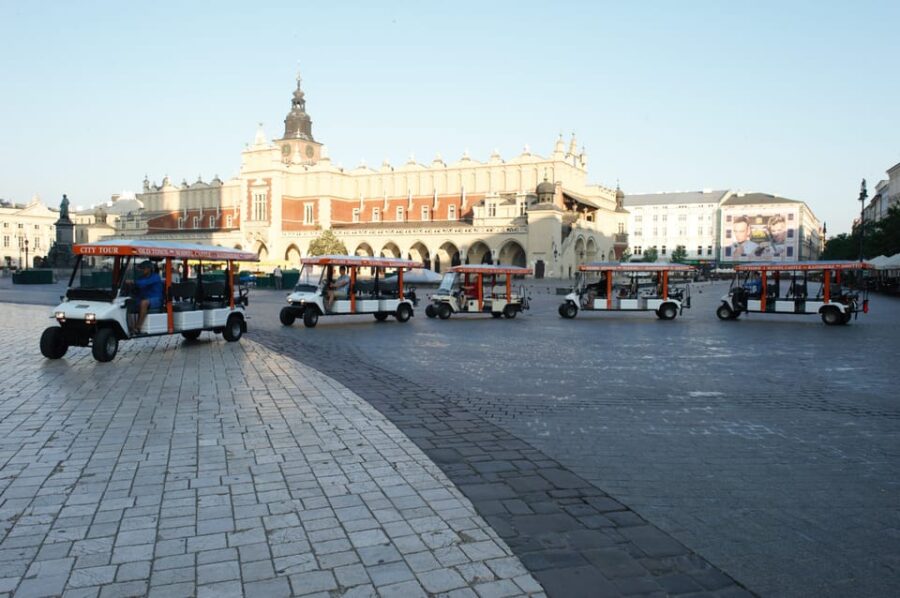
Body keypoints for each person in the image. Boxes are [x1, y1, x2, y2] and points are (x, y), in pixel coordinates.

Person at [131, 260, 163, 334]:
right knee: (129, 302)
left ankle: (138, 327)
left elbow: (144, 284)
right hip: (144, 298)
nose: (141, 270)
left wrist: (133, 282)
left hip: (156, 299)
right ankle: (130, 326)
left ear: (149, 269)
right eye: (141, 268)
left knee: (144, 303)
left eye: (143, 268)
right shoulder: (141, 277)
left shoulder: (155, 277)